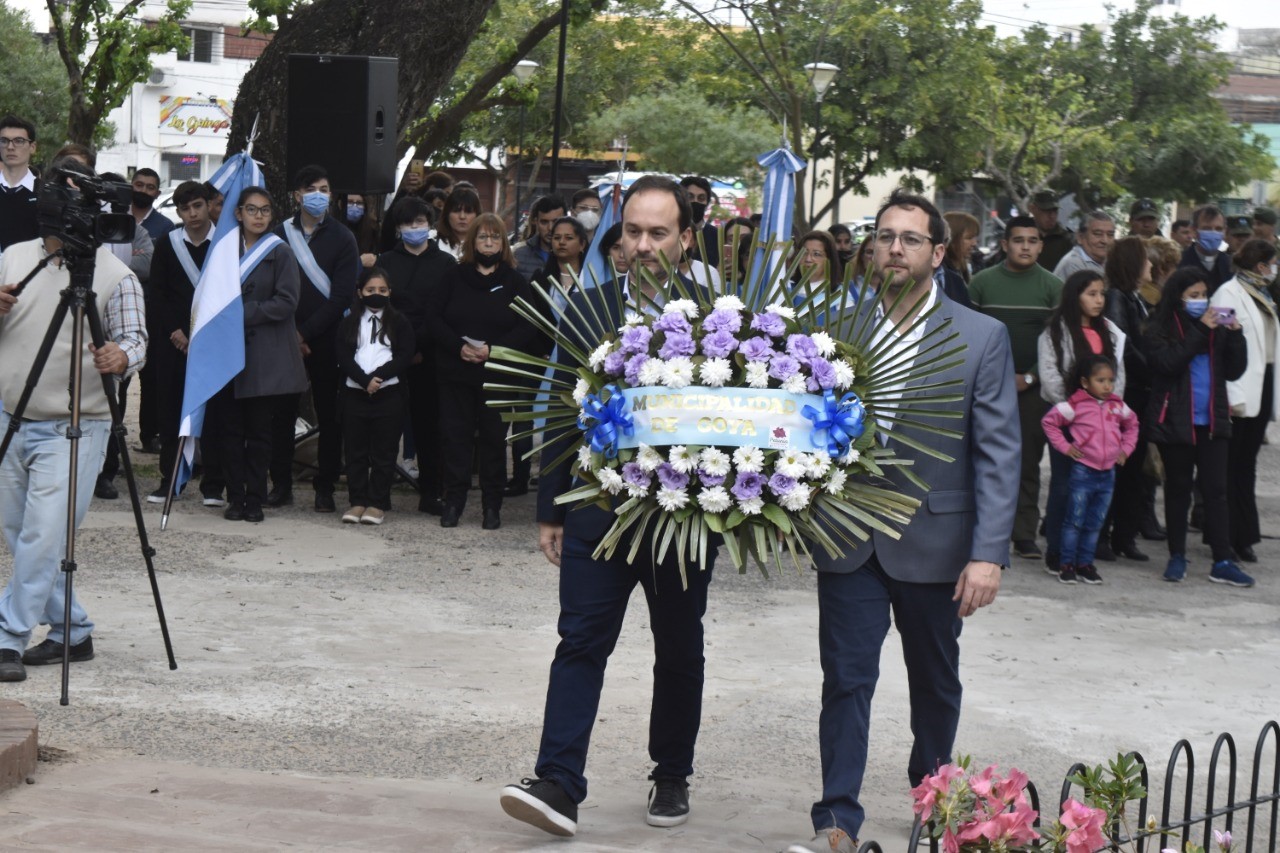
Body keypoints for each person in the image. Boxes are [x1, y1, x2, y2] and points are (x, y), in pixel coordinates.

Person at [783, 190, 1019, 853]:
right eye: (884, 236)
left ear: (937, 253)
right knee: (846, 680)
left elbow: (999, 453)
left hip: (938, 542)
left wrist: (988, 553)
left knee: (935, 682)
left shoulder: (980, 336)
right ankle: (835, 819)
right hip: (849, 539)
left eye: (910, 239)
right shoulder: (832, 328)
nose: (894, 248)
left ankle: (934, 799)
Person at [500, 175, 715, 838]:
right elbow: (560, 407)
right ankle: (558, 782)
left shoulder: (722, 319)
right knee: (580, 640)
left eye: (658, 233)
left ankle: (671, 772)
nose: (643, 245)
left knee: (678, 647)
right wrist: (550, 505)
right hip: (598, 506)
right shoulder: (587, 307)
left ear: (685, 238)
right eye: (633, 231)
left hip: (682, 514)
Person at [0, 156, 147, 683]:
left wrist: (122, 357)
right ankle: (73, 630)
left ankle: (7, 638)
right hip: (10, 416)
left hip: (76, 425)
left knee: (43, 535)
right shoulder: (13, 258)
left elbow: (137, 339)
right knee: (22, 534)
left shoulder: (116, 276)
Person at [425, 214, 539, 529]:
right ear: (472, 241)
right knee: (455, 438)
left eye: (495, 237)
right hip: (456, 372)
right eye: (483, 237)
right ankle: (453, 502)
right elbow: (433, 317)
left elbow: (528, 325)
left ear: (503, 243)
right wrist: (457, 347)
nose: (489, 243)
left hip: (497, 374)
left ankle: (492, 506)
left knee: (493, 441)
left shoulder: (514, 280)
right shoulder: (453, 276)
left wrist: (494, 349)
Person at [1142, 267, 1250, 586]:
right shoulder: (1160, 327)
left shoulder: (1217, 326)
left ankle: (1222, 560)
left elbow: (1234, 371)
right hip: (1176, 421)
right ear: (1178, 297)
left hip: (1212, 422)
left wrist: (1236, 334)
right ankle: (1177, 556)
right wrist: (1201, 329)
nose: (1201, 300)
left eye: (1204, 295)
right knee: (1178, 490)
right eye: (1193, 295)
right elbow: (1168, 363)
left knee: (1216, 491)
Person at [967, 215, 1062, 561]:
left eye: (1032, 241)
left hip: (1032, 389)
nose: (1026, 247)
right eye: (1018, 240)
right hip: (985, 386)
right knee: (977, 457)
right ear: (1005, 244)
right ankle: (977, 530)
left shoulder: (1053, 286)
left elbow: (1058, 341)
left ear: (1041, 245)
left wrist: (1030, 377)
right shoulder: (982, 282)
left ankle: (1023, 533)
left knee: (1026, 462)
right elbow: (970, 334)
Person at [269, 164, 360, 513]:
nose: (318, 196)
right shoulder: (278, 234)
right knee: (281, 414)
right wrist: (290, 332)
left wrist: (304, 333)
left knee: (329, 416)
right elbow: (271, 287)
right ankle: (280, 484)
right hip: (284, 337)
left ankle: (326, 487)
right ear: (297, 195)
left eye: (324, 189)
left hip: (327, 338)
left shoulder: (344, 238)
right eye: (311, 190)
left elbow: (341, 297)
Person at [219, 186, 309, 524]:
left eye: (265, 210)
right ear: (238, 213)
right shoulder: (224, 250)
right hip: (228, 352)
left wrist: (242, 312)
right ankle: (234, 496)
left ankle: (255, 498)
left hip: (264, 355)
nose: (258, 216)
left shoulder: (280, 251)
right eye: (252, 209)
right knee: (230, 431)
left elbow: (287, 301)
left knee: (259, 433)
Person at [1037, 270, 1126, 571]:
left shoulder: (1110, 332)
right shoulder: (1055, 332)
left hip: (1103, 423)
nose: (1099, 300)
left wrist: (1111, 409)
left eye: (1102, 294)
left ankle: (1082, 554)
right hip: (1068, 421)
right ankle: (1056, 550)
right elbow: (1050, 377)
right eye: (1091, 294)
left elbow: (1118, 376)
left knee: (1094, 489)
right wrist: (1078, 410)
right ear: (1075, 297)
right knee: (1065, 485)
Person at [146, 180, 225, 507]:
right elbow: (157, 292)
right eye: (185, 209)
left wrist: (208, 336)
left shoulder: (224, 243)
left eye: (197, 206)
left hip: (213, 343)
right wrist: (175, 331)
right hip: (174, 343)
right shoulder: (168, 243)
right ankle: (171, 480)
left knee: (216, 414)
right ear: (178, 212)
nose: (192, 214)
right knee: (171, 411)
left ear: (209, 206)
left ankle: (214, 484)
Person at [375, 196, 456, 515]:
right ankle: (379, 492)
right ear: (398, 228)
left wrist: (419, 348)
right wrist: (403, 350)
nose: (414, 228)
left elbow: (444, 311)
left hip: (432, 356)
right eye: (407, 223)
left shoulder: (446, 263)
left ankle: (431, 491)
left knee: (430, 427)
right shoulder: (385, 262)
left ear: (430, 224)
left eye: (419, 222)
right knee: (386, 426)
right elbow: (382, 309)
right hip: (391, 355)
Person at [1041, 355, 1139, 584]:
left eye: (1111, 380)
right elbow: (1049, 422)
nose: (1107, 386)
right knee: (1074, 521)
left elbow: (1133, 424)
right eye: (1100, 380)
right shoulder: (1074, 405)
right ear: (1085, 382)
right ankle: (1066, 564)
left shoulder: (1117, 406)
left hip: (1107, 474)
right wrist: (1065, 447)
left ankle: (1085, 564)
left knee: (1095, 523)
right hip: (1083, 472)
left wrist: (1126, 449)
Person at [1210, 238, 1279, 563]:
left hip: (1262, 385)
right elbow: (1221, 345)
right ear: (1261, 265)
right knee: (1230, 465)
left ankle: (1245, 535)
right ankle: (1226, 536)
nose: (1275, 269)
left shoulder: (1264, 294)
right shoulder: (1227, 294)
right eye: (1273, 264)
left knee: (1246, 463)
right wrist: (1230, 394)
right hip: (1237, 389)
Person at [335, 267, 413, 526]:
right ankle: (357, 500)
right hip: (355, 393)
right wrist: (363, 380)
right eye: (370, 290)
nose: (376, 294)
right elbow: (343, 354)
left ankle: (377, 502)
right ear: (360, 292)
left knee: (384, 451)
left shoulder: (399, 322)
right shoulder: (350, 322)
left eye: (382, 290)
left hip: (388, 393)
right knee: (355, 450)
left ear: (390, 292)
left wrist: (378, 377)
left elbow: (404, 354)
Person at [1101, 236, 1155, 562]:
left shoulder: (1134, 298)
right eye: (1145, 259)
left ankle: (1125, 535)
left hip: (1139, 392)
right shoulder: (1116, 298)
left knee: (1134, 470)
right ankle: (1105, 537)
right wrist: (1153, 371)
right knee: (1119, 467)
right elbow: (1125, 348)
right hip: (1128, 393)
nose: (1150, 265)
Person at [0, 115, 39, 253]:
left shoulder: (45, 193)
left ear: (32, 147)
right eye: (4, 141)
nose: (10, 147)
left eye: (19, 141)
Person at [1178, 204, 1232, 294]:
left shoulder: (1231, 266)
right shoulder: (1179, 262)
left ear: (1225, 231)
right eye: (1207, 228)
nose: (1213, 233)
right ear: (1194, 230)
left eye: (1218, 229)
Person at [514, 195, 566, 282]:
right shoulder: (519, 255)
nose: (550, 228)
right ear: (536, 222)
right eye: (544, 222)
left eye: (556, 221)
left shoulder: (575, 255)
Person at [1052, 211, 1115, 281]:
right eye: (1098, 234)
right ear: (1080, 237)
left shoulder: (1110, 261)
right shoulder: (1073, 263)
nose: (1105, 241)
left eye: (1110, 235)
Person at [1027, 191, 1075, 272]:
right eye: (1046, 210)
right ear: (1033, 209)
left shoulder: (1068, 240)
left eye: (1055, 211)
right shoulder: (1021, 236)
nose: (1052, 216)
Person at [678, 174, 719, 265]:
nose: (695, 201)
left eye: (701, 198)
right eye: (690, 197)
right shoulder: (670, 232)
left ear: (707, 203)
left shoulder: (717, 236)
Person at [542, 215, 588, 296]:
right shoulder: (540, 277)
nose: (561, 242)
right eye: (557, 238)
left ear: (582, 245)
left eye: (569, 238)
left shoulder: (590, 277)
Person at [436, 185, 480, 260]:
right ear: (447, 214)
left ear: (477, 215)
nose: (462, 217)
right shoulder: (432, 242)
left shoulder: (486, 244)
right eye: (456, 211)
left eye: (468, 212)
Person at [339, 192, 382, 268]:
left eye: (359, 203)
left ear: (365, 206)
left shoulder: (372, 230)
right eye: (350, 202)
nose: (354, 206)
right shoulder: (335, 229)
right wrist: (359, 262)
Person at [130, 168, 174, 241]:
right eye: (139, 185)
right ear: (129, 187)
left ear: (157, 194)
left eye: (150, 188)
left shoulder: (166, 226)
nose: (143, 191)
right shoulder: (115, 217)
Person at [942, 211, 979, 284]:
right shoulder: (940, 274)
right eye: (969, 238)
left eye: (975, 237)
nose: (974, 243)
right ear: (952, 239)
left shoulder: (961, 269)